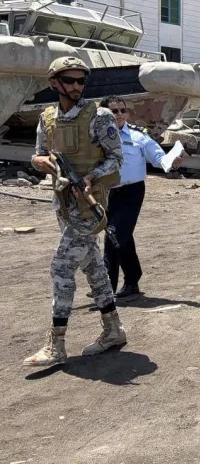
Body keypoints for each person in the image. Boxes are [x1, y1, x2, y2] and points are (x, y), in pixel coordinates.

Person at [23, 56, 127, 368]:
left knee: (61, 267)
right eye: (70, 80)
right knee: (93, 266)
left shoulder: (100, 117)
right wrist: (40, 162)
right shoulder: (48, 118)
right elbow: (39, 155)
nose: (77, 86)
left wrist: (91, 177)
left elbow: (116, 159)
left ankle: (56, 343)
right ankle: (113, 330)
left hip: (89, 205)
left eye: (81, 80)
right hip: (63, 203)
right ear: (54, 83)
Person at [100, 95, 183, 299]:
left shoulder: (138, 136)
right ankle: (132, 280)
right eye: (114, 111)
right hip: (105, 192)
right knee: (122, 236)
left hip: (131, 192)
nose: (120, 114)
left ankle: (105, 290)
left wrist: (172, 163)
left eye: (123, 110)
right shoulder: (95, 136)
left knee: (114, 235)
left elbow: (158, 158)